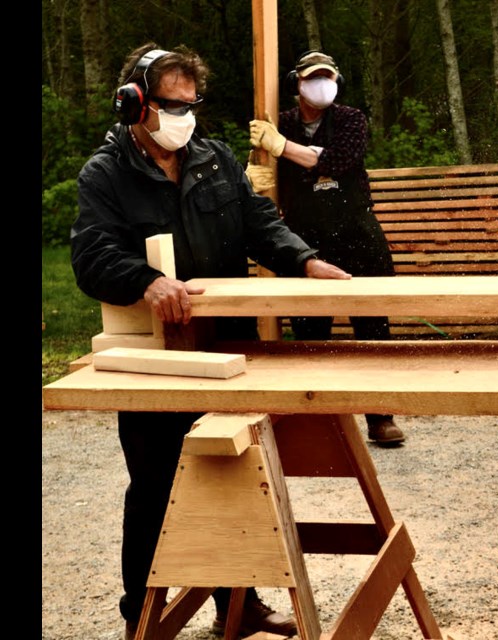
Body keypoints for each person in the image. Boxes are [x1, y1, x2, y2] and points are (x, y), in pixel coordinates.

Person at [71, 43, 351, 640]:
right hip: (157, 359)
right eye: (172, 104)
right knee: (156, 488)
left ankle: (239, 605)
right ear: (136, 104)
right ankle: (141, 618)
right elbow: (91, 255)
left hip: (230, 349)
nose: (184, 116)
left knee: (233, 474)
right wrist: (146, 281)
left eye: (191, 103)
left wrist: (304, 262)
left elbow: (260, 224)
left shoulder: (214, 159)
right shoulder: (107, 173)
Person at [247, 50, 405, 447]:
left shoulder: (350, 119)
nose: (322, 84)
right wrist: (254, 174)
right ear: (296, 85)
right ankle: (315, 419)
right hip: (305, 239)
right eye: (313, 77)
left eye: (328, 77)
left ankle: (380, 416)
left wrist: (282, 149)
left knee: (372, 330)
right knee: (308, 332)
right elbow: (266, 166)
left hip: (357, 235)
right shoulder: (278, 125)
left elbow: (337, 161)